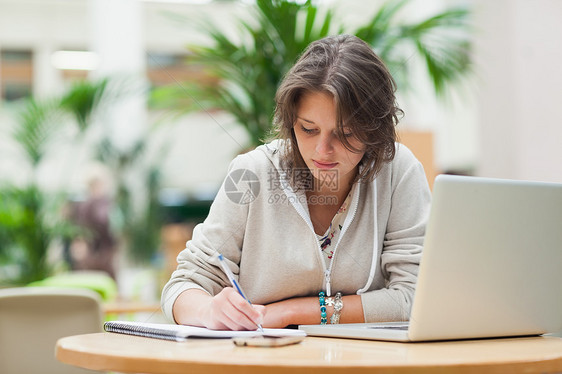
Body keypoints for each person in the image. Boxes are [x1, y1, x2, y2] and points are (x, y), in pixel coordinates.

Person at [161, 34, 431, 330]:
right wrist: (208, 310)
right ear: (292, 122)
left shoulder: (398, 171)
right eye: (308, 129)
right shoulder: (252, 173)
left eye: (345, 134)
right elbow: (182, 286)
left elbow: (413, 297)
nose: (322, 150)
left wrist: (293, 312)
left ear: (374, 130)